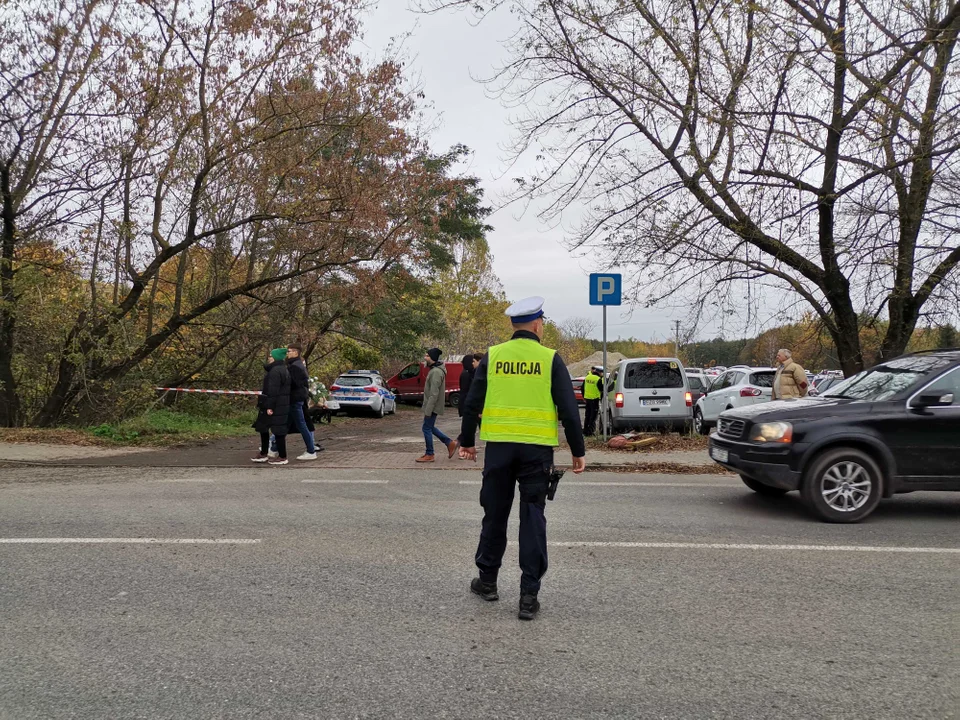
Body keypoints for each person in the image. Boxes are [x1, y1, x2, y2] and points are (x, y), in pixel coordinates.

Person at [459, 296, 586, 621]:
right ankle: (528, 597)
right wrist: (577, 450)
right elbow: (570, 411)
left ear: (515, 326)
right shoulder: (549, 359)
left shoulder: (494, 356)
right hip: (535, 452)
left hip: (499, 450)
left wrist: (469, 441)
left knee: (495, 515)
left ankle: (487, 582)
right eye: (542, 323)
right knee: (532, 518)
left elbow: (472, 401)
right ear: (536, 324)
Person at [268, 343, 320, 460]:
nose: (287, 353)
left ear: (296, 353)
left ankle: (311, 451)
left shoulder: (295, 367)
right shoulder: (294, 365)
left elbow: (294, 384)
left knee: (301, 425)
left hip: (295, 400)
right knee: (285, 425)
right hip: (294, 399)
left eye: (289, 351)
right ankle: (274, 448)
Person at [416, 348, 458, 463]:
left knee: (426, 428)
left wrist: (428, 410)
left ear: (433, 358)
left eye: (427, 356)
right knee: (429, 427)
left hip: (432, 406)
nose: (425, 358)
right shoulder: (435, 370)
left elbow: (434, 394)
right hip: (432, 405)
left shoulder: (436, 372)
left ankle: (430, 454)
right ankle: (450, 443)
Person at [251, 348, 291, 466]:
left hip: (274, 405)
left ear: (276, 358)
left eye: (271, 356)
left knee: (278, 431)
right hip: (278, 404)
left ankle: (282, 456)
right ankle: (264, 453)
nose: (269, 358)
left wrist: (270, 406)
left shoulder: (275, 371)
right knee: (263, 427)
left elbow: (273, 390)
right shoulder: (282, 369)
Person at [582, 365, 604, 435]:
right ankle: (590, 431)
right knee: (593, 417)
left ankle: (585, 430)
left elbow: (582, 388)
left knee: (587, 415)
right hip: (594, 400)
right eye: (602, 373)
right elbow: (601, 389)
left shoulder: (587, 377)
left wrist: (584, 397)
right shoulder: (598, 379)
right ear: (600, 373)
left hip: (587, 399)